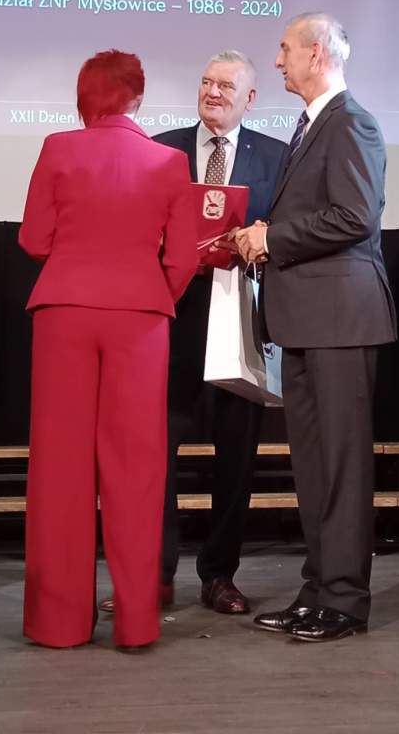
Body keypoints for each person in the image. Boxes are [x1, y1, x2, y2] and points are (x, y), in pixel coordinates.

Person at [19, 49, 197, 651]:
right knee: (137, 468)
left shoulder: (57, 148)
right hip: (139, 321)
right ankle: (136, 622)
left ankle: (59, 624)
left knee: (60, 468)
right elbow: (183, 258)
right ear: (138, 98)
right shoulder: (169, 161)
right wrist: (146, 291)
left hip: (64, 313)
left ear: (84, 97)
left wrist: (78, 264)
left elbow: (33, 238)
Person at [102, 50, 287, 617]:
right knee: (156, 448)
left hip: (239, 318)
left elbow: (289, 229)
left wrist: (263, 234)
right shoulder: (160, 148)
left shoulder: (277, 157)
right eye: (206, 81)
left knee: (237, 453)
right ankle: (154, 574)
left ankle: (219, 575)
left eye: (226, 85)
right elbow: (129, 223)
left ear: (250, 98)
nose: (213, 92)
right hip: (170, 316)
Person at [234, 14, 396, 642]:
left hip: (340, 319)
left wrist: (273, 239)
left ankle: (346, 601)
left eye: (284, 49)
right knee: (313, 466)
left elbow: (354, 216)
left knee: (342, 466)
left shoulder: (352, 122)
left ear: (317, 53)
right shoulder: (310, 126)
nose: (277, 61)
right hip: (306, 320)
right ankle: (318, 591)